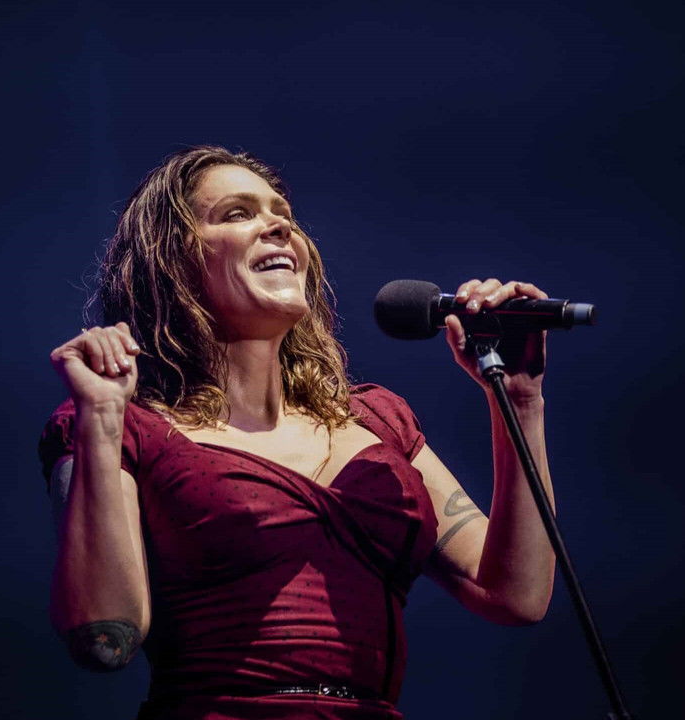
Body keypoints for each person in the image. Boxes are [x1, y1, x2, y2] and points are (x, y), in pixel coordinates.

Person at [39, 146, 556, 719]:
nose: (280, 225)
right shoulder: (124, 426)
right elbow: (103, 640)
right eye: (238, 213)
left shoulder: (377, 421)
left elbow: (517, 594)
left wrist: (519, 401)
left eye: (282, 212)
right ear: (171, 263)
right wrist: (101, 421)